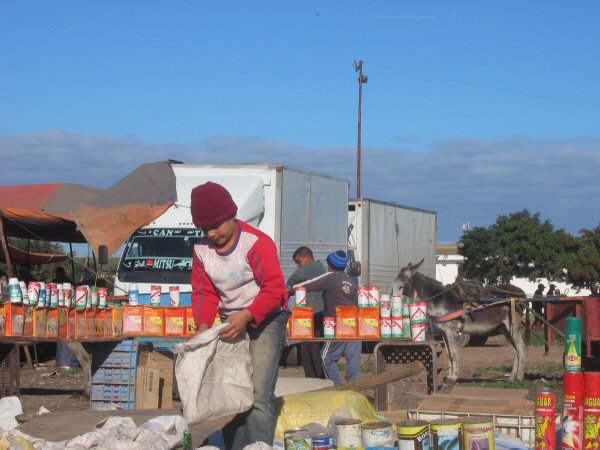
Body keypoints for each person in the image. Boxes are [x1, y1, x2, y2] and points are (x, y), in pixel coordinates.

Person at [189, 181, 289, 450]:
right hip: (231, 320)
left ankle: (257, 446)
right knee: (234, 391)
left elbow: (275, 288)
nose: (212, 233)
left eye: (217, 225)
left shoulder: (256, 243)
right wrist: (203, 325)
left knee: (258, 392)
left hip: (267, 318)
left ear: (232, 215)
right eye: (205, 228)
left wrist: (248, 315)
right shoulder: (202, 251)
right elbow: (204, 292)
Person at [295, 250, 361, 385]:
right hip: (354, 325)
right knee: (353, 361)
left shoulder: (330, 277)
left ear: (330, 265)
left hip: (337, 325)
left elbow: (309, 285)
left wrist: (290, 290)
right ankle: (353, 390)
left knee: (326, 358)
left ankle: (337, 388)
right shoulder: (351, 282)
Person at [286, 246, 327, 379]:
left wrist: (289, 285)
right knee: (305, 350)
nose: (298, 266)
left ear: (307, 258)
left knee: (315, 350)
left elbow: (297, 276)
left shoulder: (317, 267)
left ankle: (319, 379)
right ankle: (310, 379)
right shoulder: (310, 272)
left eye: (299, 262)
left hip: (317, 314)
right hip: (304, 315)